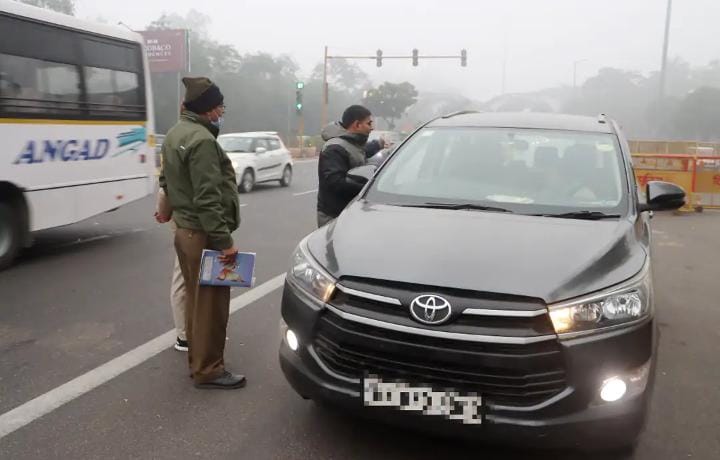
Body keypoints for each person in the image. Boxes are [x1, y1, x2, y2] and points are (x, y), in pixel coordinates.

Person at [158, 76, 245, 390]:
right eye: (220, 106)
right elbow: (207, 198)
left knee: (196, 303)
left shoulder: (174, 134)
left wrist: (167, 210)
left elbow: (166, 181)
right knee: (211, 306)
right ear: (208, 109)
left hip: (185, 231)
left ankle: (198, 361)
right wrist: (225, 242)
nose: (221, 111)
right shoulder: (203, 141)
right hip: (204, 234)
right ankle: (209, 370)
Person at [317, 105, 384, 227]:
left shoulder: (350, 143)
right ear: (357, 124)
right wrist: (367, 188)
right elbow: (335, 182)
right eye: (369, 123)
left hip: (348, 212)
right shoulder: (334, 148)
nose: (372, 128)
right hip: (334, 216)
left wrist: (378, 144)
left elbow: (358, 153)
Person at [154, 188, 188, 352]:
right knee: (184, 279)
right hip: (193, 225)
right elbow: (165, 189)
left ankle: (187, 334)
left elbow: (164, 190)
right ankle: (185, 336)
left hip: (185, 223)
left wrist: (163, 212)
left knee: (185, 278)